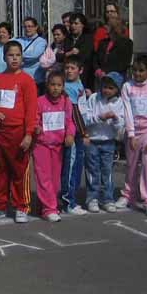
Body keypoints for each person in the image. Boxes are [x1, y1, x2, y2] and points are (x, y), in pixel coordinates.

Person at [0, 41, 39, 223]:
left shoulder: (27, 81)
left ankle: (21, 206)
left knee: (19, 171)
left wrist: (29, 133)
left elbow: (32, 109)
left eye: (18, 55)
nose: (14, 58)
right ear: (4, 57)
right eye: (11, 55)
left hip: (18, 133)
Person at [117, 55, 147, 216]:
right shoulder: (127, 87)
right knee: (131, 164)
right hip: (133, 132)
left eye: (141, 71)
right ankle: (128, 195)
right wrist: (130, 134)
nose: (137, 74)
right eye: (135, 70)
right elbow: (127, 111)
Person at [79, 72, 126, 212]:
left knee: (107, 171)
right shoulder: (94, 98)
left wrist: (115, 119)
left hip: (108, 142)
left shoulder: (120, 102)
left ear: (117, 89)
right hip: (93, 140)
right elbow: (86, 118)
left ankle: (107, 198)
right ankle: (92, 198)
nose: (106, 90)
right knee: (92, 170)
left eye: (111, 88)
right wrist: (100, 117)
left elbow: (121, 124)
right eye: (105, 87)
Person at [33, 70, 75, 222]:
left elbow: (70, 121)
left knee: (54, 178)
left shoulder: (66, 102)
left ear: (63, 86)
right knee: (43, 177)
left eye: (59, 85)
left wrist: (70, 134)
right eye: (52, 85)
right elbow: (35, 119)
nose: (55, 88)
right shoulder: (40, 101)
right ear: (47, 85)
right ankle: (50, 207)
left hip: (58, 146)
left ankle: (44, 205)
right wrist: (36, 127)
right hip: (41, 145)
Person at [60, 56, 88, 215]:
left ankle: (71, 198)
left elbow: (82, 109)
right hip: (73, 131)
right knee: (70, 167)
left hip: (79, 131)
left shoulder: (78, 85)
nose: (69, 71)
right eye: (67, 68)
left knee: (77, 166)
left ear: (80, 70)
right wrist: (84, 132)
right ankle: (68, 201)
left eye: (73, 68)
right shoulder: (67, 88)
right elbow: (75, 111)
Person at [94, 7, 133, 80]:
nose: (105, 29)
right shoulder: (102, 42)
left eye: (108, 26)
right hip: (100, 78)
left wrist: (107, 72)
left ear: (114, 28)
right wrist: (98, 70)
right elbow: (95, 59)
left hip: (116, 78)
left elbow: (124, 63)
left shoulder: (127, 43)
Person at [18, 17, 49, 92]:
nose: (27, 29)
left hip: (36, 80)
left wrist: (19, 56)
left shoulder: (41, 41)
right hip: (22, 79)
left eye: (30, 26)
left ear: (36, 27)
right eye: (25, 27)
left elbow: (34, 55)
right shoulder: (19, 40)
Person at [64, 13, 95, 87]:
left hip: (85, 75)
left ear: (82, 25)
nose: (73, 26)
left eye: (76, 23)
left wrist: (70, 54)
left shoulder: (88, 38)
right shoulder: (68, 39)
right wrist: (71, 53)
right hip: (69, 74)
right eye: (71, 23)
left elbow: (85, 55)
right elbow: (62, 56)